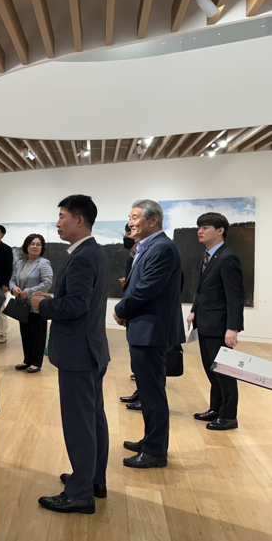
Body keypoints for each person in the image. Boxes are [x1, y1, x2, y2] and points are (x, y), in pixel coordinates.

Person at [31, 195, 110, 515]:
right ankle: (92, 479)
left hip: (78, 352)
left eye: (62, 216)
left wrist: (43, 305)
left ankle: (79, 494)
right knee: (93, 420)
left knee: (79, 424)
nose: (57, 222)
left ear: (79, 220)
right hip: (92, 349)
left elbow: (75, 305)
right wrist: (53, 298)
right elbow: (81, 299)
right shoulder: (94, 252)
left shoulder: (82, 256)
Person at [114, 200, 185, 469]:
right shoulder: (151, 246)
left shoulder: (162, 248)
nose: (130, 222)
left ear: (153, 220)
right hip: (144, 328)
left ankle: (155, 451)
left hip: (151, 330)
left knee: (152, 393)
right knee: (147, 390)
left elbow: (145, 288)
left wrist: (121, 309)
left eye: (135, 217)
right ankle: (150, 440)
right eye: (130, 217)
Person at [188, 212, 245, 431]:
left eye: (205, 227)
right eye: (199, 227)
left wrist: (232, 327)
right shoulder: (207, 256)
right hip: (205, 323)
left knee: (224, 373)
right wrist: (194, 310)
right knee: (212, 370)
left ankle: (229, 416)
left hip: (219, 326)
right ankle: (216, 409)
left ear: (220, 231)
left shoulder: (227, 258)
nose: (200, 231)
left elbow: (235, 296)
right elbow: (204, 290)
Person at [10, 233, 53, 373]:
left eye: (38, 244)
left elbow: (47, 283)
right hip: (22, 306)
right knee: (25, 334)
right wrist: (13, 288)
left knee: (38, 335)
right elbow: (12, 280)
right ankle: (27, 360)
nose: (35, 246)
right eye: (32, 244)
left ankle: (36, 362)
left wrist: (28, 291)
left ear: (42, 248)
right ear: (26, 246)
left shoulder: (44, 263)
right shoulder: (20, 263)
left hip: (37, 305)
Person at [119, 224, 142, 408]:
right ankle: (140, 392)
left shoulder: (148, 255)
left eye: (131, 231)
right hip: (133, 313)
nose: (128, 236)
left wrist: (122, 310)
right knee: (137, 359)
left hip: (144, 315)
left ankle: (144, 397)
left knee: (146, 361)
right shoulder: (131, 258)